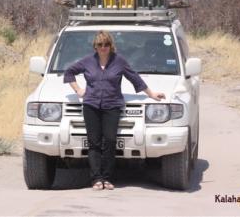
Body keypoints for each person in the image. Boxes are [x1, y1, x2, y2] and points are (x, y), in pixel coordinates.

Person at [63, 30, 165, 190]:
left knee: (110, 141)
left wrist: (151, 94)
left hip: (112, 106)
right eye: (100, 44)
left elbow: (135, 78)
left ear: (111, 46)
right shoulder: (87, 62)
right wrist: (78, 90)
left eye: (106, 44)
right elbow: (69, 72)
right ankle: (96, 179)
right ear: (95, 46)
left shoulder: (119, 62)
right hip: (91, 106)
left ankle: (108, 178)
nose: (103, 47)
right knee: (94, 143)